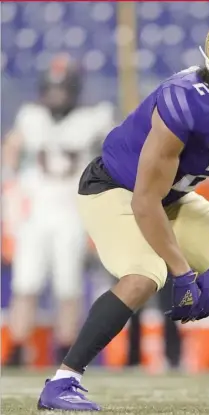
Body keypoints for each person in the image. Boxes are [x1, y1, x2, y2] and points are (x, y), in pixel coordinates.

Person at [38, 8, 209, 411]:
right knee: (147, 273)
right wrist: (183, 275)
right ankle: (62, 382)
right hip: (117, 191)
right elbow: (144, 199)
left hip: (171, 197)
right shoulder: (185, 101)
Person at [3, 54, 113, 366]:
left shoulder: (94, 119)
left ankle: (66, 351)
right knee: (26, 284)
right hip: (34, 214)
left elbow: (115, 152)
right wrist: (11, 202)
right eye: (52, 89)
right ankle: (16, 349)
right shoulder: (30, 117)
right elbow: (10, 151)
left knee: (69, 287)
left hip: (71, 214)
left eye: (62, 89)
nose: (56, 95)